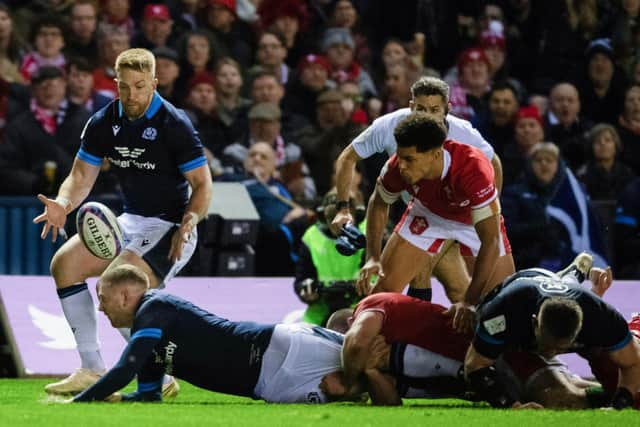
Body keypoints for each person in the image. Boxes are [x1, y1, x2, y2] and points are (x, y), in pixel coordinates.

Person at [35, 48, 213, 395]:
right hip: (131, 220)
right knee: (64, 265)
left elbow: (203, 183)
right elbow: (81, 176)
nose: (132, 95)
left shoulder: (174, 124)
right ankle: (91, 368)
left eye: (140, 86)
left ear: (154, 83)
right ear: (115, 83)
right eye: (125, 87)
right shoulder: (104, 121)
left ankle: (157, 376)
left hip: (172, 226)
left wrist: (190, 220)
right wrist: (63, 202)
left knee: (117, 287)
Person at [70, 264, 362, 404]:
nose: (100, 308)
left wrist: (79, 401)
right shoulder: (148, 338)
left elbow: (123, 370)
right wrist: (119, 399)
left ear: (124, 295)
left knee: (389, 362)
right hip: (270, 387)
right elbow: (148, 396)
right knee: (370, 387)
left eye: (103, 298)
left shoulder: (155, 306)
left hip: (281, 348)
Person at [332, 76, 502, 307]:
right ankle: (401, 335)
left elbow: (495, 164)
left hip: (460, 215)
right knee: (400, 286)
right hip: (421, 211)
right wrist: (343, 208)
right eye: (420, 108)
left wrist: (489, 208)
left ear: (447, 110)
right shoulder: (388, 126)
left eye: (434, 110)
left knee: (475, 293)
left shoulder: (465, 135)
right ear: (411, 106)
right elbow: (348, 158)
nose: (426, 115)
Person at [358, 113, 514, 332]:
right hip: (428, 215)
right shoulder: (396, 167)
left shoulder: (473, 168)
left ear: (435, 153)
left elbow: (490, 240)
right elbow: (379, 203)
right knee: (380, 295)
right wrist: (373, 256)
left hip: (472, 220)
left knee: (505, 308)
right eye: (400, 157)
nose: (402, 165)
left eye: (409, 159)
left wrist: (469, 301)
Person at [464, 255, 640, 410]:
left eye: (559, 348)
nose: (551, 353)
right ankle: (575, 270)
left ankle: (575, 271)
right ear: (534, 322)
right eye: (547, 346)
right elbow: (474, 366)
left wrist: (619, 406)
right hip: (514, 339)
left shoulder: (600, 315)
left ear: (580, 327)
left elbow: (633, 363)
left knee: (628, 374)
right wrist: (511, 405)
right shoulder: (504, 314)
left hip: (560, 290)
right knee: (557, 399)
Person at [293, 189, 366, 326]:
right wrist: (308, 291)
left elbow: (382, 277)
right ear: (322, 217)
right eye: (331, 216)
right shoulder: (312, 237)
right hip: (319, 314)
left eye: (344, 217)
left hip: (360, 311)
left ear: (357, 215)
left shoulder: (368, 232)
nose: (337, 223)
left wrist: (364, 288)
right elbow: (301, 280)